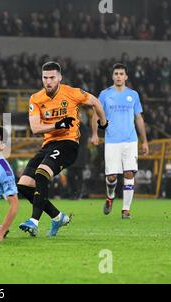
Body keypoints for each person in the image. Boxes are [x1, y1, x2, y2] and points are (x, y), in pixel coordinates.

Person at [17, 61, 107, 237]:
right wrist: (57, 125)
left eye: (52, 77)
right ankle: (57, 217)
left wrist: (103, 122)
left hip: (68, 144)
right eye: (45, 77)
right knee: (23, 185)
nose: (48, 81)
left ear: (59, 78)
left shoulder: (72, 93)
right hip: (48, 145)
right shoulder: (36, 98)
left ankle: (34, 221)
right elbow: (35, 128)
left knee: (41, 173)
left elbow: (95, 102)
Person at [91, 63, 149, 219]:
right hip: (111, 141)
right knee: (112, 177)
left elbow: (138, 118)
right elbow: (96, 115)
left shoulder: (133, 95)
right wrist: (95, 134)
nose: (118, 76)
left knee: (129, 173)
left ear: (126, 77)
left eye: (121, 73)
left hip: (130, 140)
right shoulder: (104, 94)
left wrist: (144, 141)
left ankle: (126, 210)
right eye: (116, 73)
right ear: (112, 76)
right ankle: (110, 197)